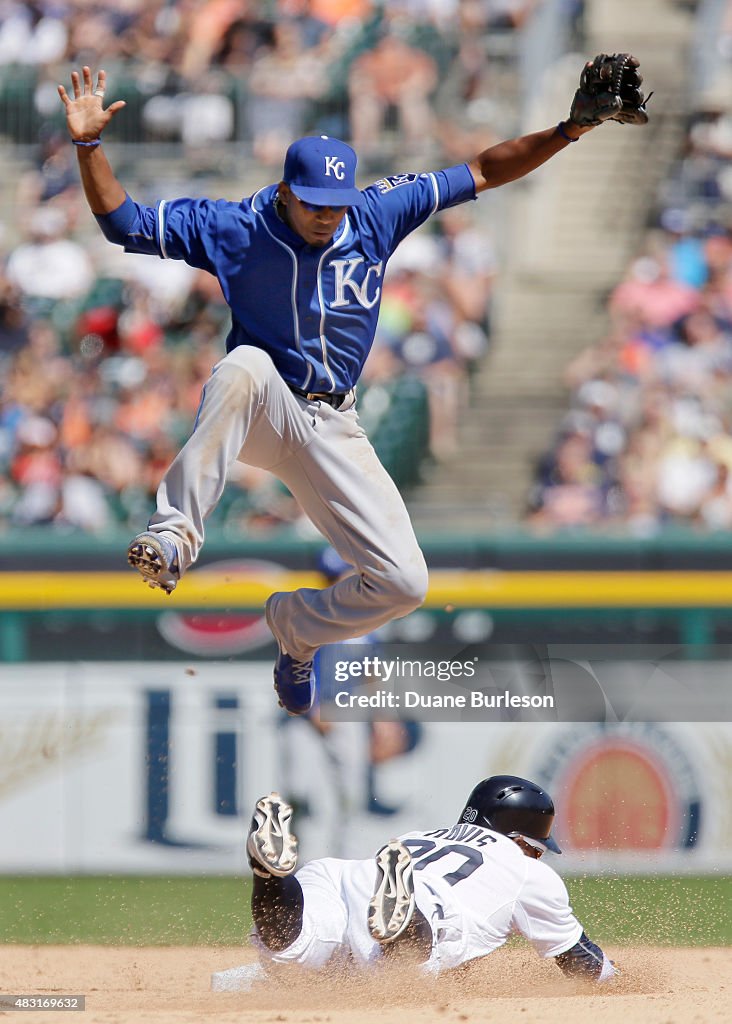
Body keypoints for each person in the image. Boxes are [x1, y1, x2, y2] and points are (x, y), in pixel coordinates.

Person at [57, 61, 644, 717]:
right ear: (286, 190)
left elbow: (482, 169)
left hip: (335, 423)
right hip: (267, 407)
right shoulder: (236, 227)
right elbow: (125, 224)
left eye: (336, 204)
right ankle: (173, 539)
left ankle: (299, 630)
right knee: (243, 366)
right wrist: (87, 145)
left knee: (404, 582)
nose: (327, 217)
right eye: (314, 203)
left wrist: (568, 130)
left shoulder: (373, 214)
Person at [245, 776, 619, 980]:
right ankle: (404, 920)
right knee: (400, 976)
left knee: (289, 950)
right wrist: (623, 982)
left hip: (342, 874)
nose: (538, 855)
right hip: (427, 903)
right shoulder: (528, 871)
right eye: (537, 847)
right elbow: (581, 963)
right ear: (520, 839)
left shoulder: (421, 835)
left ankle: (271, 877)